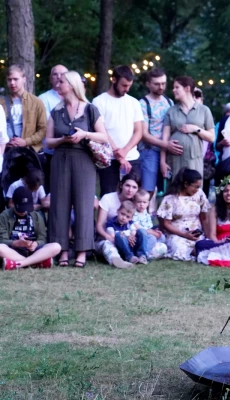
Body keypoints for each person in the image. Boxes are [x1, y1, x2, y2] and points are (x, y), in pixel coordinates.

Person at [46, 71, 109, 268]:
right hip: (61, 159)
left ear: (72, 85)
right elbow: (48, 141)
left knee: (83, 205)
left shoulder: (90, 109)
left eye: (62, 81)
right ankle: (62, 250)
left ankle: (82, 251)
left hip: (84, 160)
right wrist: (63, 139)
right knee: (60, 205)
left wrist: (85, 134)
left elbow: (104, 137)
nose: (58, 83)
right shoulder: (56, 111)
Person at [92, 66, 144, 196]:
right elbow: (101, 130)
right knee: (108, 196)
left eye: (129, 86)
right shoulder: (99, 101)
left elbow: (139, 131)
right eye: (123, 85)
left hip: (132, 157)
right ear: (113, 80)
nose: (126, 89)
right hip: (108, 158)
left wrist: (125, 151)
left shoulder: (134, 102)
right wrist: (118, 154)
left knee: (132, 198)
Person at [160, 76, 215, 181]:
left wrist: (196, 129)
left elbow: (211, 137)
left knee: (193, 190)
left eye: (177, 87)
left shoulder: (204, 110)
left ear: (187, 88)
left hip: (194, 161)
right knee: (175, 191)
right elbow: (165, 138)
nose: (173, 90)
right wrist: (162, 161)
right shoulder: (171, 111)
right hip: (174, 160)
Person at [0, 186, 61, 270]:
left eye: (26, 208)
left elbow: (42, 238)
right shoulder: (4, 216)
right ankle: (36, 262)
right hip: (14, 251)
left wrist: (36, 244)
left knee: (56, 246)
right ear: (13, 203)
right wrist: (16, 243)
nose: (24, 211)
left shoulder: (36, 216)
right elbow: (2, 240)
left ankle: (18, 264)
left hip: (34, 250)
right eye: (21, 208)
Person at [157, 168, 210, 261]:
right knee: (179, 248)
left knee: (205, 244)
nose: (197, 190)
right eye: (195, 187)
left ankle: (196, 250)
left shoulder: (200, 194)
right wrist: (184, 234)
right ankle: (194, 252)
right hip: (176, 233)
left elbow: (203, 216)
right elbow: (166, 223)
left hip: (196, 233)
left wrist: (207, 234)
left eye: (199, 187)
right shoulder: (170, 199)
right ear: (186, 184)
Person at [139, 68, 176, 198]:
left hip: (168, 151)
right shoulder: (143, 104)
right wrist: (165, 144)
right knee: (147, 191)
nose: (161, 87)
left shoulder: (169, 102)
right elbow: (143, 134)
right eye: (157, 84)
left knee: (168, 191)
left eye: (163, 83)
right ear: (148, 84)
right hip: (149, 151)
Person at [195, 179, 230, 267]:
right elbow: (212, 235)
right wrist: (219, 242)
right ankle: (228, 253)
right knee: (200, 244)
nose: (229, 193)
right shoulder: (215, 210)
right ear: (221, 194)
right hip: (221, 244)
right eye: (226, 191)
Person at [95, 173, 141, 269]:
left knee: (161, 247)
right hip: (108, 239)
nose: (130, 190)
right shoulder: (108, 198)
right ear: (121, 185)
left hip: (128, 240)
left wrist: (133, 236)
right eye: (127, 185)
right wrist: (108, 237)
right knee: (107, 246)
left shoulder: (136, 203)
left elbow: (136, 227)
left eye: (134, 187)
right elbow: (99, 225)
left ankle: (137, 256)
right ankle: (117, 260)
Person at [2, 65, 48, 153]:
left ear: (24, 79)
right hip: (5, 150)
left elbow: (43, 129)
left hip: (28, 151)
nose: (12, 83)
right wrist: (5, 142)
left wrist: (26, 142)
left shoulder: (36, 102)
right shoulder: (1, 103)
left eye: (15, 79)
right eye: (9, 79)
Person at [38, 64, 68, 184]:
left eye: (62, 75)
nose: (59, 77)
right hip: (51, 152)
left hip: (71, 152)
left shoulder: (77, 98)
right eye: (55, 74)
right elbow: (44, 124)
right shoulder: (43, 99)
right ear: (51, 78)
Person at [105, 200, 149, 265]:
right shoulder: (111, 223)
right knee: (119, 235)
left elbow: (133, 231)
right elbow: (113, 236)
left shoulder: (130, 223)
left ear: (131, 218)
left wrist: (132, 235)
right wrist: (128, 236)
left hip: (132, 244)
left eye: (128, 216)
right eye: (122, 214)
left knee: (142, 231)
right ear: (118, 211)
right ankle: (130, 257)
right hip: (121, 246)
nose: (124, 218)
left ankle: (142, 255)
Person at [132, 189, 167, 259]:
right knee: (153, 238)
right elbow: (138, 228)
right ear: (134, 202)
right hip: (140, 235)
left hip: (148, 233)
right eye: (139, 202)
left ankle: (149, 248)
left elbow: (150, 227)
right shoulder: (134, 213)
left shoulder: (145, 213)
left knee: (162, 237)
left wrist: (155, 231)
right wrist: (152, 233)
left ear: (148, 203)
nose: (141, 204)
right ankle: (142, 254)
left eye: (144, 202)